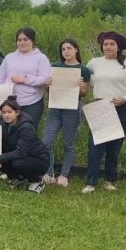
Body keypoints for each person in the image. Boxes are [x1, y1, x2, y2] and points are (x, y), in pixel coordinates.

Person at [82, 31, 126, 194]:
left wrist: (125, 99)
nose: (108, 47)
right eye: (105, 44)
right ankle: (91, 181)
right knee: (95, 146)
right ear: (101, 46)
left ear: (118, 46)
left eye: (112, 44)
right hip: (101, 107)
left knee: (114, 146)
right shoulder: (94, 62)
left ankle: (110, 179)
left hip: (121, 107)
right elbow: (86, 78)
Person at [41, 38, 90, 187]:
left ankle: (64, 175)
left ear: (76, 50)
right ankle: (49, 173)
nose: (66, 51)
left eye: (69, 48)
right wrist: (48, 85)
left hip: (72, 110)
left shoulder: (83, 69)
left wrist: (81, 86)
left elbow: (84, 93)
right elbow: (49, 90)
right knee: (46, 142)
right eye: (63, 49)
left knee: (68, 144)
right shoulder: (55, 66)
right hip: (55, 109)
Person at [0, 27, 51, 126]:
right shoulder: (9, 57)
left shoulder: (41, 58)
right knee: (8, 135)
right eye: (19, 40)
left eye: (25, 39)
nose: (22, 42)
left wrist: (25, 80)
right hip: (9, 103)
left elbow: (45, 79)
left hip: (32, 104)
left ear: (32, 41)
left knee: (27, 133)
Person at [0, 97, 51, 193]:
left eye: (9, 112)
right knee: (3, 160)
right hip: (23, 157)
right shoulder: (5, 125)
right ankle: (18, 178)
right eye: (4, 112)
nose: (6, 115)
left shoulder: (26, 127)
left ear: (17, 112)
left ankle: (37, 180)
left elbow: (21, 152)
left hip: (39, 160)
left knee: (16, 163)